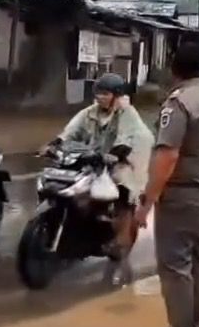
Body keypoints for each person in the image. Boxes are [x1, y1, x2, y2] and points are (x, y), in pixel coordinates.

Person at [134, 40, 199, 327]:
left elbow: (168, 154)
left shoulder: (179, 102)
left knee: (174, 268)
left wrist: (147, 200)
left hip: (183, 195)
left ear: (174, 69)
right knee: (195, 263)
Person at [47, 73, 154, 258]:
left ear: (117, 95)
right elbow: (71, 131)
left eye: (106, 93)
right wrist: (54, 144)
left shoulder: (127, 112)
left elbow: (124, 140)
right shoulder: (90, 112)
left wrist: (114, 155)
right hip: (101, 152)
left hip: (132, 154)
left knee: (123, 188)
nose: (100, 97)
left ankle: (121, 240)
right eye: (99, 93)